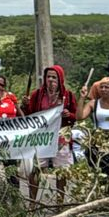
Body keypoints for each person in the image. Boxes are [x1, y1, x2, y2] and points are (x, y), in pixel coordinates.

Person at [23, 66, 78, 204]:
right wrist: (25, 105)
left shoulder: (68, 95)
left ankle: (60, 203)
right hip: (41, 138)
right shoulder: (38, 94)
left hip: (60, 137)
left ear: (60, 79)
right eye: (48, 77)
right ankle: (32, 202)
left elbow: (76, 115)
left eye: (54, 77)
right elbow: (30, 114)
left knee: (62, 171)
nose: (51, 80)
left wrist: (68, 114)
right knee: (35, 169)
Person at [80, 77, 109, 185]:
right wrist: (82, 98)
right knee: (101, 170)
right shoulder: (93, 103)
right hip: (98, 139)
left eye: (107, 87)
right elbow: (80, 116)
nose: (103, 89)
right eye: (101, 87)